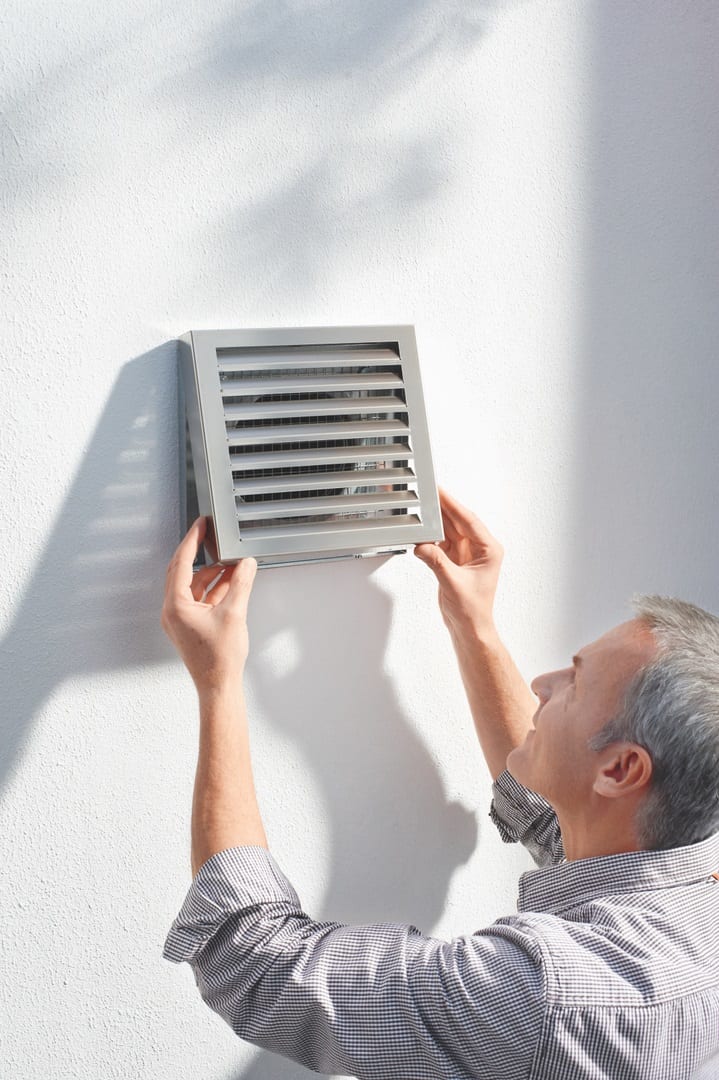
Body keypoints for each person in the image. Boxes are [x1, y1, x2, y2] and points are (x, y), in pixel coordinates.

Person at [162, 491, 719, 1079]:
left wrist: (217, 682)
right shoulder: (693, 892)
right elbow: (563, 815)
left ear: (620, 770)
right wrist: (472, 623)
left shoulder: (543, 996)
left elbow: (257, 963)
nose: (543, 683)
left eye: (575, 685)